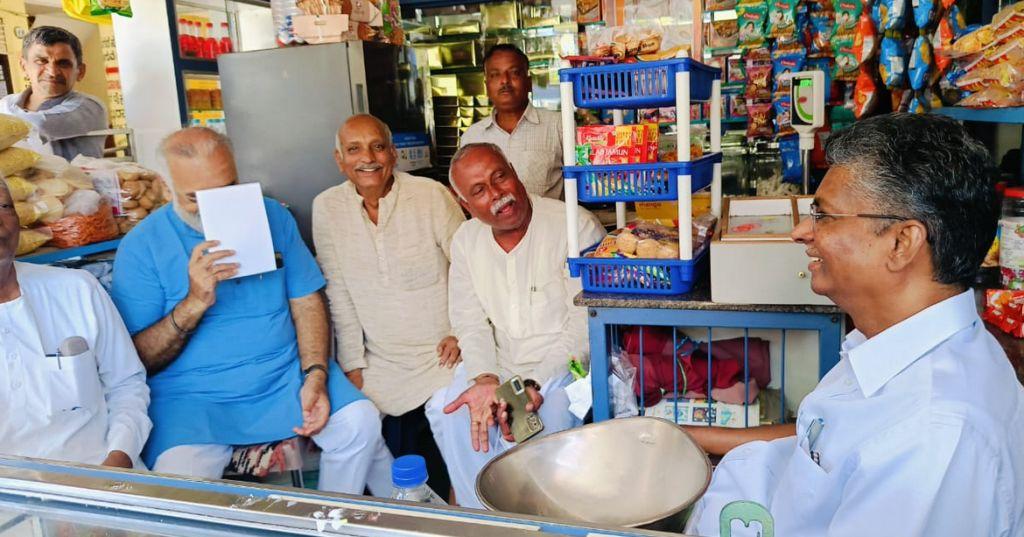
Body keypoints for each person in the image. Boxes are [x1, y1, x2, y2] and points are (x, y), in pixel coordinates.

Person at [686, 113, 1024, 536]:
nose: (801, 232)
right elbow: (823, 439)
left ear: (901, 242)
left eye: (824, 216)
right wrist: (681, 437)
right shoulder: (895, 343)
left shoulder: (934, 434)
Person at [110, 127, 392, 495]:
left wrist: (315, 374)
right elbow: (137, 359)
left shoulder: (273, 216)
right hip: (193, 398)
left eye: (228, 189)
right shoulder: (142, 246)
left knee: (360, 423)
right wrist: (194, 303)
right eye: (196, 198)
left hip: (284, 376)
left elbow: (306, 300)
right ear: (166, 187)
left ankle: (327, 515)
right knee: (180, 483)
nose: (216, 208)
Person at [425, 142, 606, 508]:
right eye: (479, 190)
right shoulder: (466, 241)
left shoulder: (574, 226)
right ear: (464, 204)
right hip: (499, 363)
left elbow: (584, 325)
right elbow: (469, 321)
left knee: (545, 419)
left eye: (500, 177)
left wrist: (532, 384)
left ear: (513, 170)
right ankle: (482, 517)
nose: (497, 194)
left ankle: (543, 521)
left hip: (565, 368)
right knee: (453, 411)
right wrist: (485, 379)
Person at [313, 114, 465, 497]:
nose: (368, 158)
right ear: (339, 160)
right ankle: (393, 515)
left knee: (452, 426)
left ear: (393, 154)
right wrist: (353, 362)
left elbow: (469, 266)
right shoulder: (327, 208)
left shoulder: (430, 195)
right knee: (359, 429)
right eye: (354, 149)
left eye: (377, 147)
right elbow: (338, 292)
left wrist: (461, 332)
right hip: (378, 360)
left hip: (443, 354)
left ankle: (457, 510)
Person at [0, 180, 150, 468]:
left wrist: (119, 457)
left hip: (100, 471)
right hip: (11, 489)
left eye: (4, 206)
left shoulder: (77, 289)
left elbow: (127, 385)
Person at [460, 44, 563, 200]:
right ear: (486, 86)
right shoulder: (472, 137)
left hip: (549, 216)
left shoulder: (559, 126)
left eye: (514, 73)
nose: (504, 81)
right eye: (495, 75)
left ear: (529, 82)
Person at [0, 26, 107, 160]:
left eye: (63, 64)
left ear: (80, 71)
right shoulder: (6, 103)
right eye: (41, 61)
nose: (52, 72)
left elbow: (37, 125)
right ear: (24, 66)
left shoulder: (90, 107)